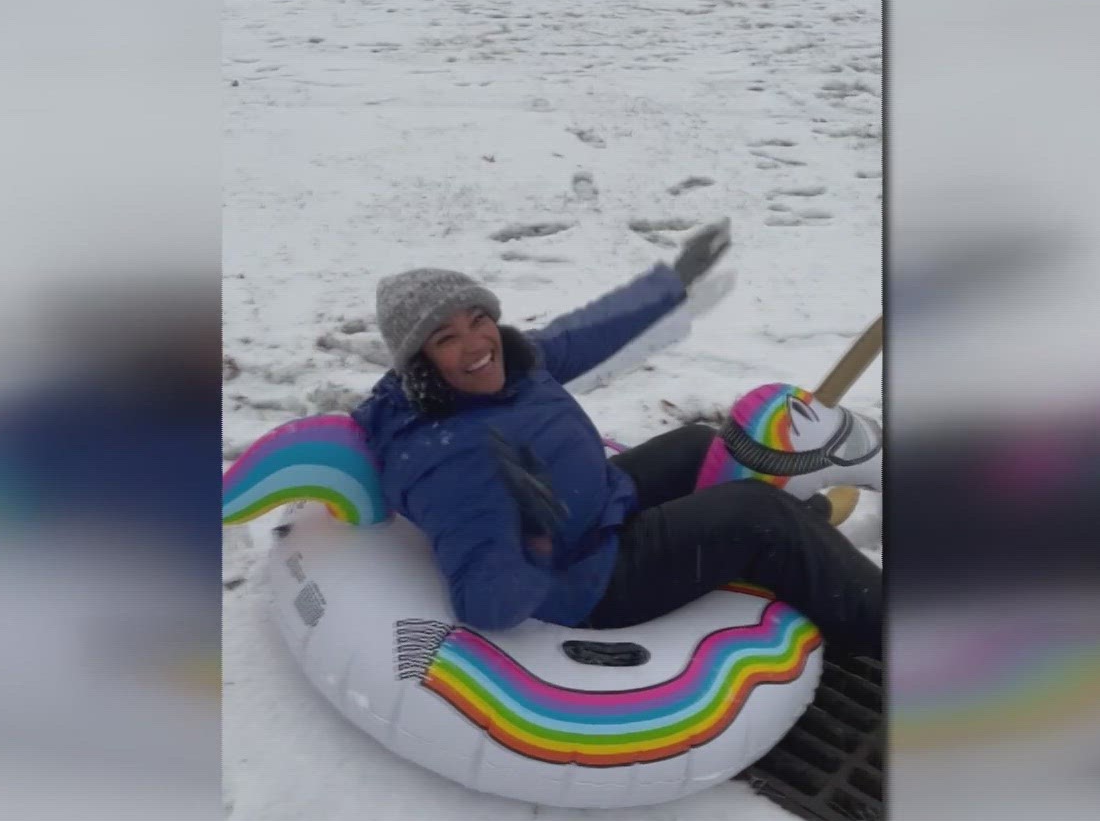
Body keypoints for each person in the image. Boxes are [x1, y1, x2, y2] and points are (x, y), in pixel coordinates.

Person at [349, 222, 884, 658]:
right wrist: (534, 537)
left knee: (701, 444)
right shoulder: (455, 463)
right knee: (756, 511)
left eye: (478, 319)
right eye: (446, 339)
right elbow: (486, 602)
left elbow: (578, 335)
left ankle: (801, 541)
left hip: (598, 503)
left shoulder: (505, 364)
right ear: (420, 363)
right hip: (591, 577)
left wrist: (673, 284)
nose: (476, 344)